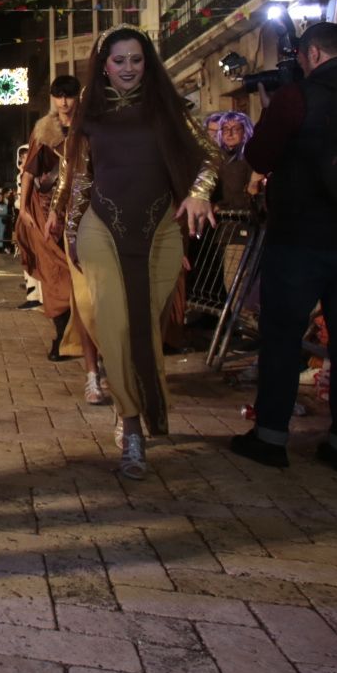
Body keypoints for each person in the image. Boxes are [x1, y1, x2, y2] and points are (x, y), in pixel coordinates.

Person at [51, 27, 218, 478]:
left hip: (160, 233)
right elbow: (81, 180)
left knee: (146, 329)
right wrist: (69, 232)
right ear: (103, 64)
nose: (128, 68)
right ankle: (131, 428)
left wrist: (200, 193)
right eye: (119, 60)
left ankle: (139, 410)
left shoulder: (169, 111)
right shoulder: (90, 115)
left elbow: (209, 157)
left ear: (147, 63)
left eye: (136, 60)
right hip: (99, 230)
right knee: (117, 326)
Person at [228, 23, 337, 473]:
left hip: (299, 236)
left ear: (311, 54)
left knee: (282, 337)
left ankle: (271, 436)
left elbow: (259, 156)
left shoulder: (298, 96)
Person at [21, 76, 108, 397]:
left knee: (94, 289)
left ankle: (100, 357)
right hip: (54, 216)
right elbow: (30, 171)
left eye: (69, 96)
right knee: (60, 281)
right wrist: (24, 208)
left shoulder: (92, 128)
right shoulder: (44, 131)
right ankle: (66, 341)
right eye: (59, 97)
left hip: (93, 213)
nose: (64, 103)